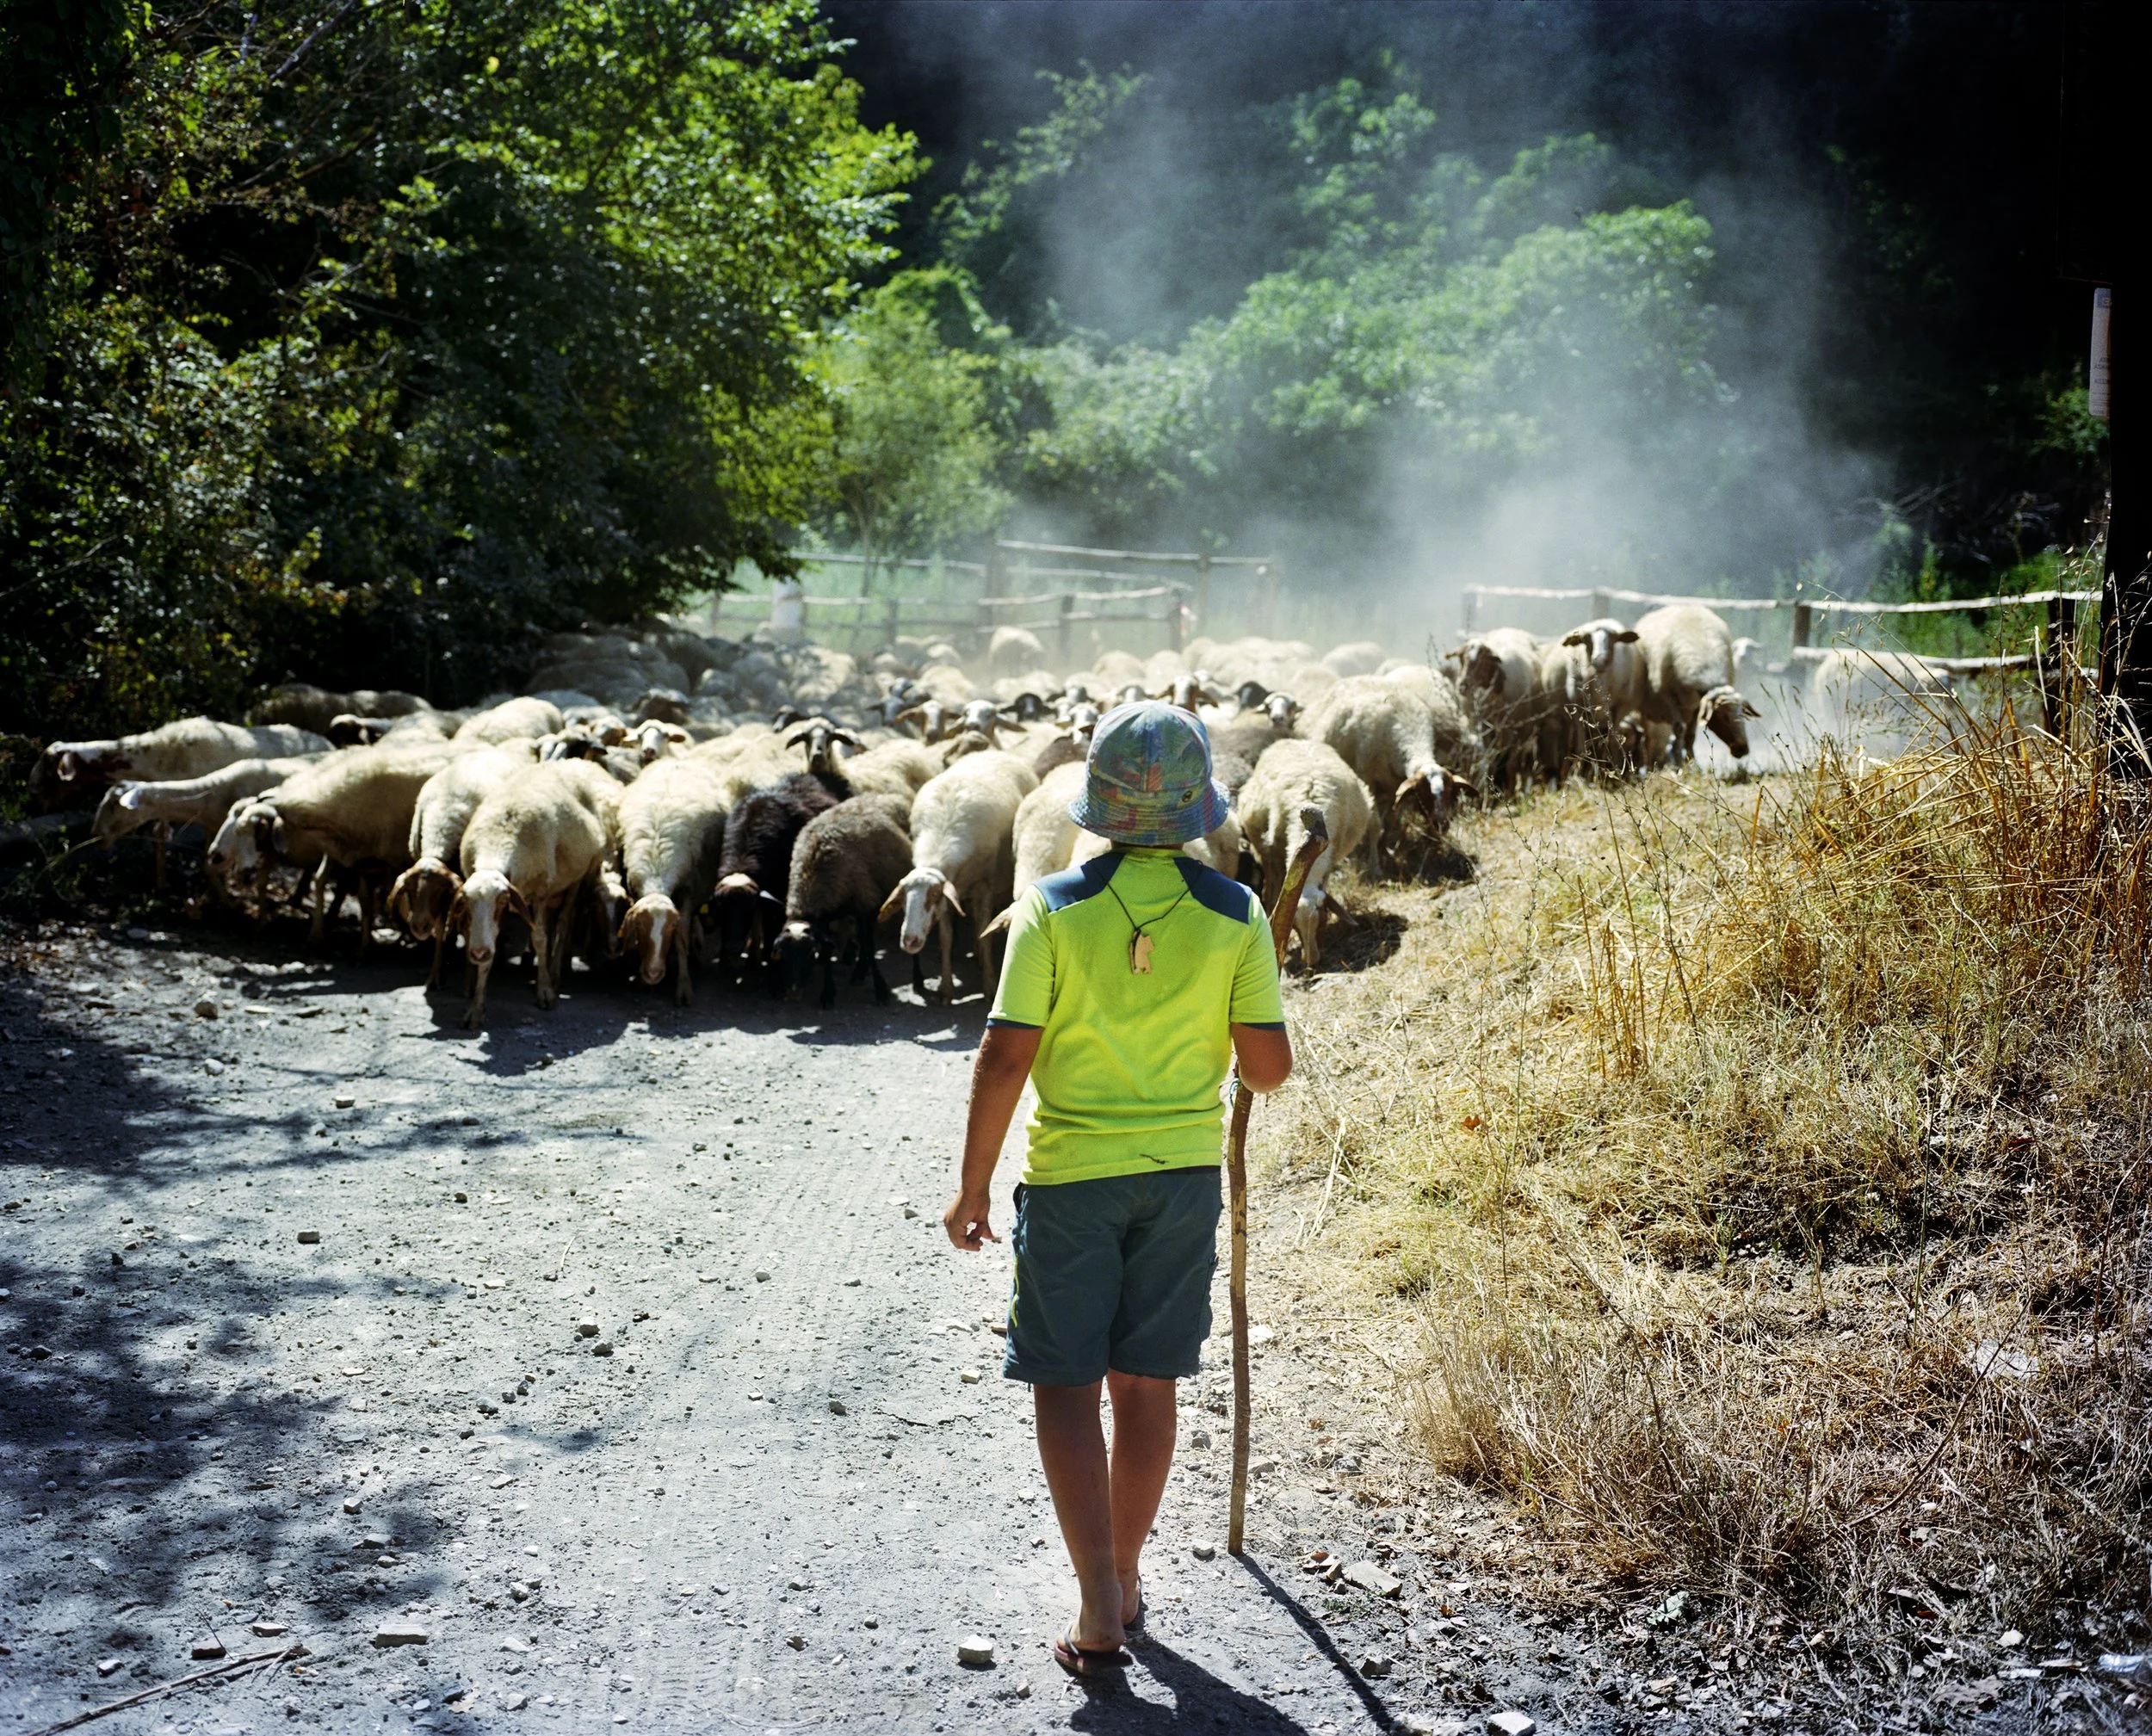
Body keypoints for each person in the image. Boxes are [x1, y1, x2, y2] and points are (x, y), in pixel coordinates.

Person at [943, 699, 1294, 1680]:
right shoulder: (1238, 911)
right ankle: (1129, 1575)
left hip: (1069, 1181)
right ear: (1199, 813)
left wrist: (973, 1184)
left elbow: (1006, 1053)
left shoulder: (1052, 905)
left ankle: (1096, 1590)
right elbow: (1267, 1070)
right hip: (1180, 1181)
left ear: (1094, 803)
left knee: (1065, 1381)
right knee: (1147, 1380)